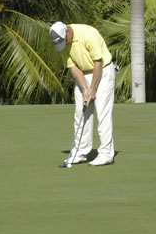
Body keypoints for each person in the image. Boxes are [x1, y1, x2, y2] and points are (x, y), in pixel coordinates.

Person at [50, 21, 116, 166]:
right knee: (81, 112)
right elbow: (72, 67)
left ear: (67, 31)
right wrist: (85, 88)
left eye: (64, 41)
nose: (63, 45)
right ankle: (80, 152)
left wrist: (92, 88)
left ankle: (106, 153)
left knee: (102, 112)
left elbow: (98, 63)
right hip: (83, 73)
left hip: (103, 71)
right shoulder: (62, 42)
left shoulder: (88, 34)